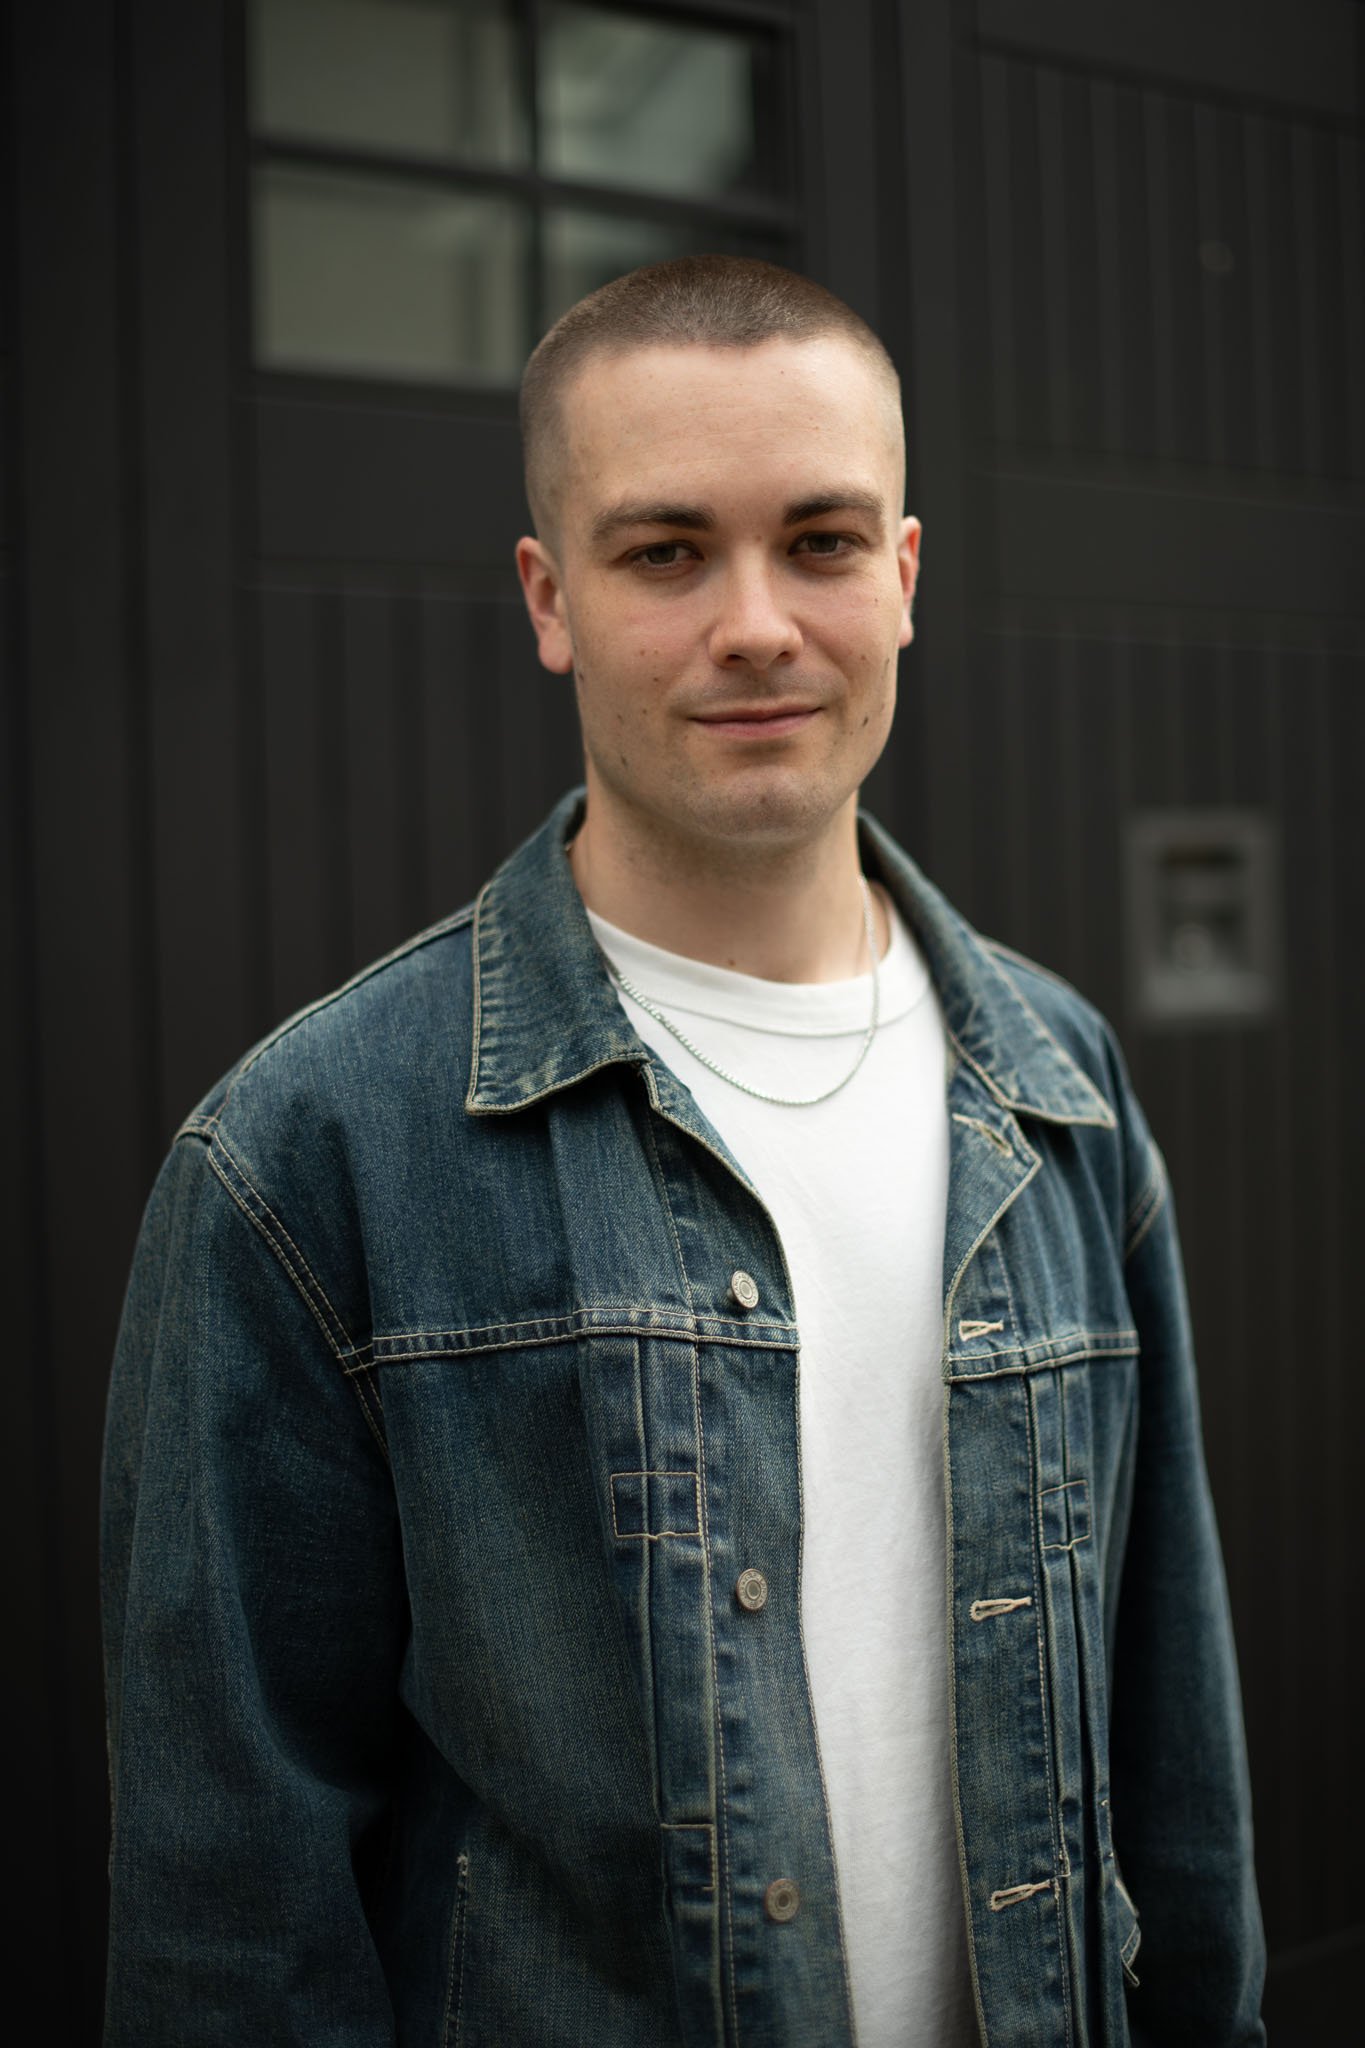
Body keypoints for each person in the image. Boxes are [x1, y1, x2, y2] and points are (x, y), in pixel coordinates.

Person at [101, 256, 1265, 2047]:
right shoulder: (305, 1152)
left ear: (903, 576)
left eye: (817, 541)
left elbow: (1171, 1749)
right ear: (547, 596)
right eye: (665, 554)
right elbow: (230, 1908)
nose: (753, 623)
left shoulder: (1057, 1081)